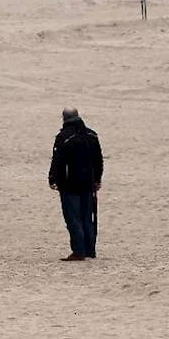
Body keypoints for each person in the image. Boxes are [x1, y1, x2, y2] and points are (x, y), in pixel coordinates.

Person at [49, 107, 104, 261]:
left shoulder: (64, 137)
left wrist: (53, 179)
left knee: (73, 218)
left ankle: (79, 251)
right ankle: (90, 250)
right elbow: (98, 160)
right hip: (88, 183)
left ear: (64, 118)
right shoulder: (91, 135)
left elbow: (58, 161)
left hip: (69, 184)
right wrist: (97, 179)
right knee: (88, 217)